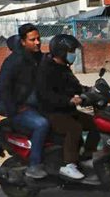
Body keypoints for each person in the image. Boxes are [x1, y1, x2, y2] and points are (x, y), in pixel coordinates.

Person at [35, 34, 99, 181]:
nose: (73, 55)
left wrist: (90, 91)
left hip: (66, 110)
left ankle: (86, 156)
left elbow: (74, 86)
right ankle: (68, 165)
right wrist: (69, 100)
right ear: (61, 52)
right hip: (52, 112)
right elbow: (46, 95)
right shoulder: (46, 69)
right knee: (74, 128)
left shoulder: (63, 67)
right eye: (71, 52)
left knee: (96, 123)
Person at [0, 23, 49, 179]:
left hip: (33, 105)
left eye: (39, 39)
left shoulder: (39, 58)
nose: (38, 42)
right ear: (23, 42)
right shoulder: (14, 61)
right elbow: (3, 86)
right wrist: (14, 109)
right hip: (17, 109)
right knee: (41, 124)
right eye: (33, 40)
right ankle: (34, 165)